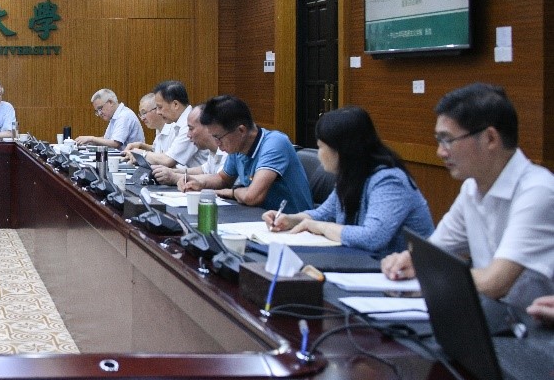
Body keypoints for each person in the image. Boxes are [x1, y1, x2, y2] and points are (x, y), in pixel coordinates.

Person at [381, 83, 554, 306]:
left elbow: (495, 283)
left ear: (490, 138)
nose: (440, 152)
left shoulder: (538, 192)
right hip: (492, 316)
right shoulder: (471, 188)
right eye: (439, 140)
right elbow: (432, 253)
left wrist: (429, 280)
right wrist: (407, 261)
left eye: (448, 140)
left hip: (533, 324)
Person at [260, 107, 434, 257]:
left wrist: (321, 227)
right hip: (366, 265)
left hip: (403, 275)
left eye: (321, 147)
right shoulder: (352, 175)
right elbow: (322, 214)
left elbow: (373, 237)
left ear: (341, 149)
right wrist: (290, 220)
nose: (319, 153)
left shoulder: (389, 181)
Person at [183, 94, 313, 212]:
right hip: (259, 218)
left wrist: (233, 192)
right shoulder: (237, 148)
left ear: (241, 130)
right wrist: (200, 183)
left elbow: (253, 196)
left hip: (292, 224)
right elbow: (222, 179)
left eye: (218, 137)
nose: (217, 143)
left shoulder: (275, 143)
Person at [152, 106, 228, 188]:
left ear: (208, 127)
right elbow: (204, 170)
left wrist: (175, 177)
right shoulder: (213, 150)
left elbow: (220, 179)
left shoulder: (228, 150)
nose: (188, 135)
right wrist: (172, 171)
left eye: (191, 129)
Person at [139, 80, 197, 168]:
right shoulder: (179, 122)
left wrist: (141, 154)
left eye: (160, 107)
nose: (158, 112)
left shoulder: (190, 124)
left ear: (175, 104)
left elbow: (168, 160)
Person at [76, 89, 142, 149]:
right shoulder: (115, 116)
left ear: (110, 102)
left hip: (131, 158)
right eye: (97, 111)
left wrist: (91, 139)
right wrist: (88, 141)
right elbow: (107, 139)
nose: (100, 113)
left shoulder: (124, 116)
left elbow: (115, 143)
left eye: (100, 108)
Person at [121, 93, 164, 158]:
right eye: (140, 114)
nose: (142, 118)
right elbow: (156, 150)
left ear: (157, 109)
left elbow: (167, 159)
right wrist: (141, 145)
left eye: (144, 113)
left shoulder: (173, 129)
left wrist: (142, 153)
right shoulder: (158, 128)